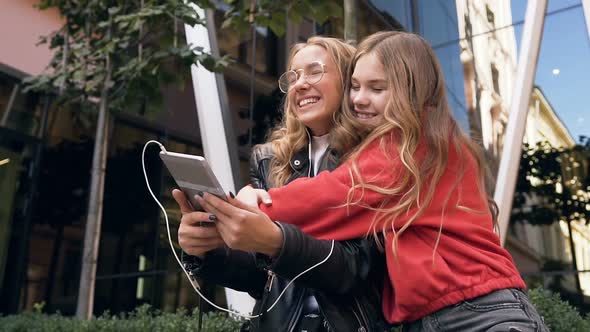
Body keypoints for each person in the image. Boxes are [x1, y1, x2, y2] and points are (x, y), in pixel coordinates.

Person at [196, 31, 549, 332]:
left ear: (414, 91)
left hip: (480, 312)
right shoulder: (420, 142)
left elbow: (334, 194)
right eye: (356, 87)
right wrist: (210, 248)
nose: (360, 98)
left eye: (376, 88)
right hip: (439, 316)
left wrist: (261, 201)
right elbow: (270, 279)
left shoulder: (408, 146)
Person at [174, 36, 389, 332]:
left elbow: (356, 269)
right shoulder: (269, 160)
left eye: (314, 71)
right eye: (294, 77)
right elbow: (262, 279)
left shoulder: (377, 155)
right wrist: (208, 249)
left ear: (349, 81)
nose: (300, 84)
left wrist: (275, 240)